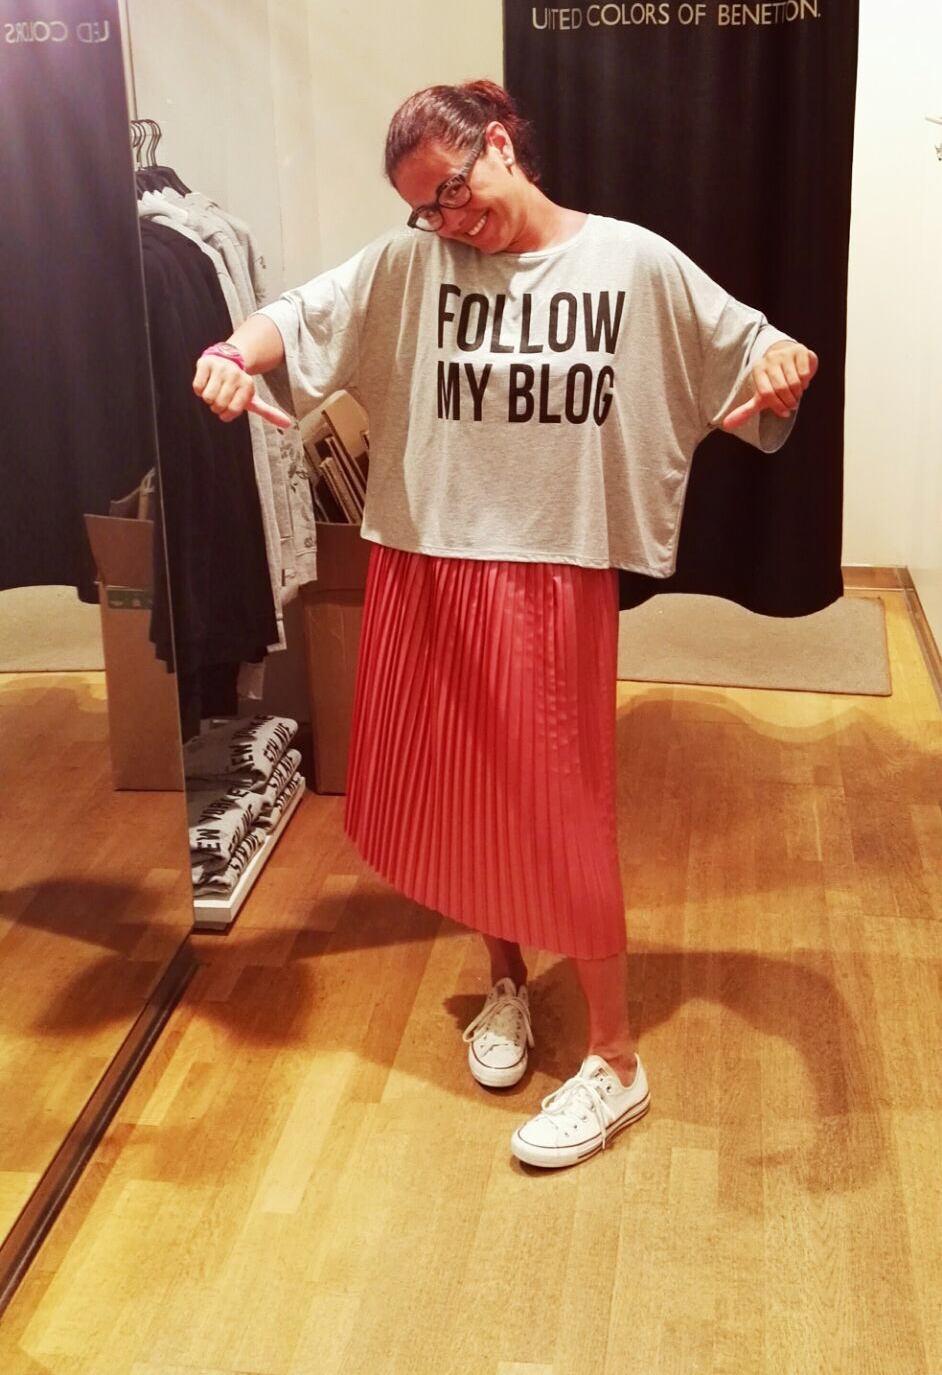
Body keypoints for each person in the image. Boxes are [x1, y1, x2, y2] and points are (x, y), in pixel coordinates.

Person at [193, 80, 818, 1171]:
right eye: (423, 208)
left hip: (551, 568)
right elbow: (298, 312)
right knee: (469, 787)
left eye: (452, 190)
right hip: (428, 557)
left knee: (563, 809)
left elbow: (755, 354)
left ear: (496, 144)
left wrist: (780, 365)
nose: (448, 220)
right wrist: (233, 355)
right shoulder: (413, 264)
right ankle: (507, 981)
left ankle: (617, 1059)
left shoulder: (629, 262)